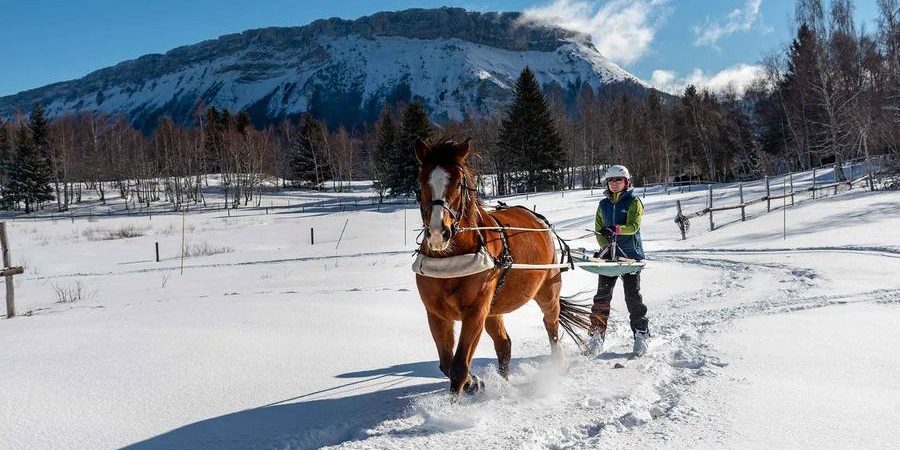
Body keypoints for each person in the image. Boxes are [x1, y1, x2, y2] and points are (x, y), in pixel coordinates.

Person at [584, 165, 650, 357]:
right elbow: (599, 229)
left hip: (630, 255)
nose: (614, 183)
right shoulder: (603, 204)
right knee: (602, 297)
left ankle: (641, 334)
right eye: (610, 180)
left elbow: (633, 226)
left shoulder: (634, 201)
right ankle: (597, 335)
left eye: (618, 180)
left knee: (632, 297)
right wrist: (605, 246)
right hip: (609, 257)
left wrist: (615, 229)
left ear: (626, 182)